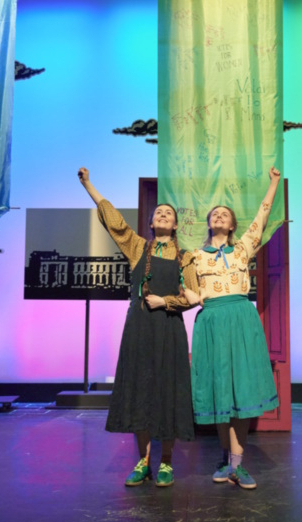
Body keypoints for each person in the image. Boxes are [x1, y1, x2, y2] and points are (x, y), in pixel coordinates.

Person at [77, 167, 197, 488]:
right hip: (139, 329)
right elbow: (113, 220)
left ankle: (167, 461)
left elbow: (194, 297)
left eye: (168, 213)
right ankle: (143, 460)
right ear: (151, 222)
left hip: (169, 329)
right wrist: (90, 184)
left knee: (167, 391)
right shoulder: (137, 247)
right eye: (158, 211)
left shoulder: (185, 258)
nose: (162, 213)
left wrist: (166, 302)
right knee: (140, 390)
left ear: (174, 225)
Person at [187, 166, 282, 490]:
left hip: (241, 317)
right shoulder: (196, 256)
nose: (220, 216)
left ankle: (237, 465)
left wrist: (273, 183)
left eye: (225, 214)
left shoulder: (242, 248)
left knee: (241, 388)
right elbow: (186, 291)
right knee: (219, 391)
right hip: (212, 320)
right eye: (215, 213)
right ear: (209, 222)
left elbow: (263, 215)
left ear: (232, 224)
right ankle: (225, 458)